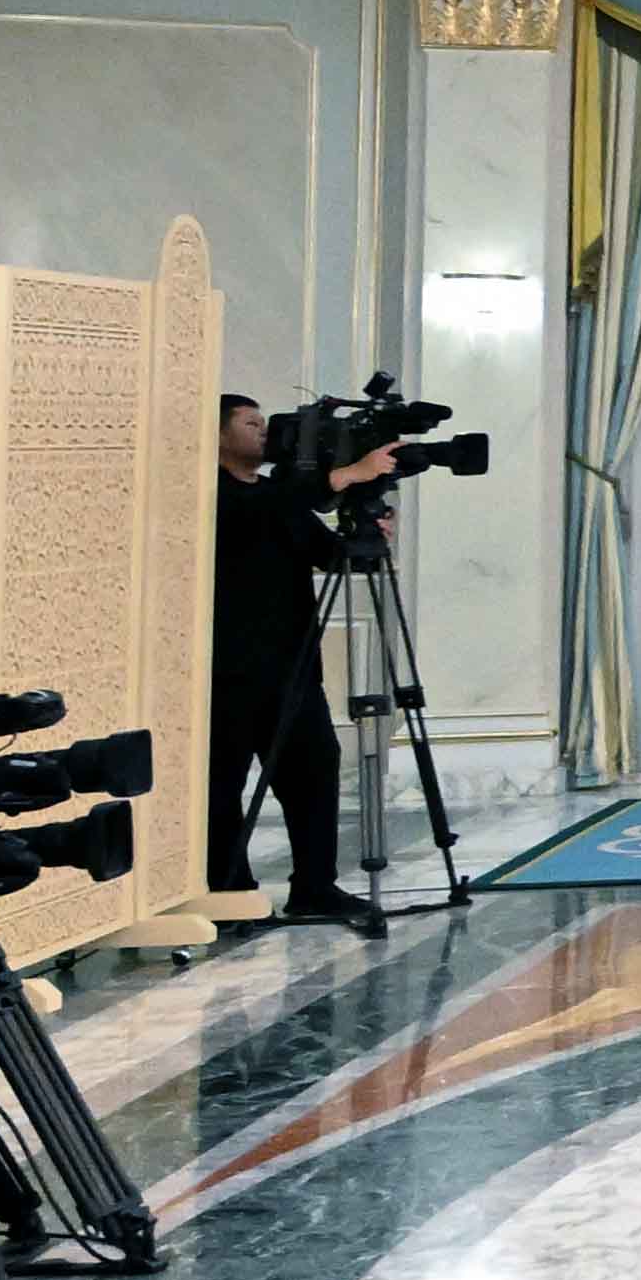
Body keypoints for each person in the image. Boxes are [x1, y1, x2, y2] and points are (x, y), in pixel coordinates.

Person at [207, 390, 401, 936]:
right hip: (226, 668)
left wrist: (368, 537)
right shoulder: (212, 492)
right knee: (222, 783)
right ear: (217, 434)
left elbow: (329, 554)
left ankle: (314, 885)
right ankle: (229, 892)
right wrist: (348, 474)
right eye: (251, 423)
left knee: (315, 767)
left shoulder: (277, 494)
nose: (264, 431)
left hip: (292, 665)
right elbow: (258, 513)